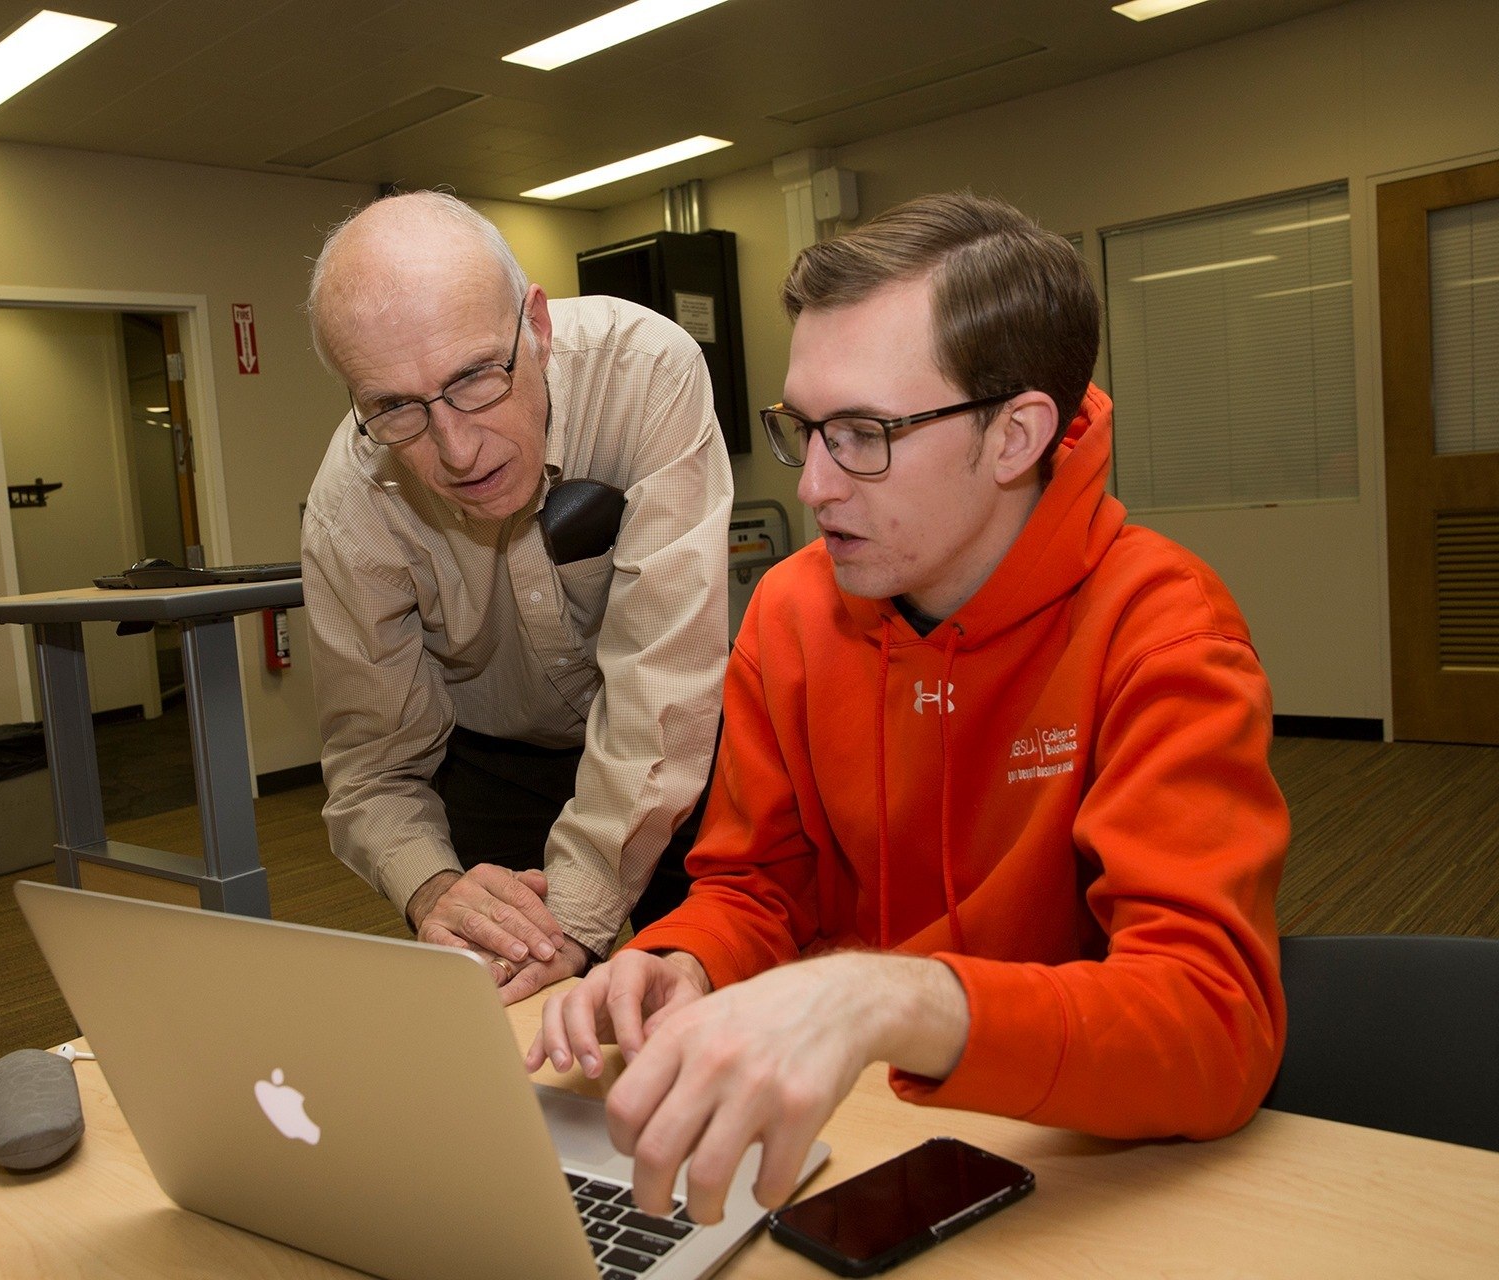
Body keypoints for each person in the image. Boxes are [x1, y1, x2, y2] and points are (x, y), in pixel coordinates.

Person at [528, 191, 1289, 1224]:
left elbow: (1213, 1027)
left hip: (1062, 1160)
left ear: (1017, 432)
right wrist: (678, 960)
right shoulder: (794, 611)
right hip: (840, 1134)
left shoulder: (1163, 628)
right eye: (804, 429)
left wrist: (894, 995)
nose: (814, 484)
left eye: (863, 433)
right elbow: (757, 887)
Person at [301, 191, 732, 1004]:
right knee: (514, 1035)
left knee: (707, 1010)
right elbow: (374, 768)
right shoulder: (350, 505)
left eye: (474, 379)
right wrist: (433, 889)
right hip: (496, 768)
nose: (457, 450)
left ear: (537, 325)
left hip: (681, 739)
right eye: (394, 407)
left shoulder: (646, 372)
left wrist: (569, 917)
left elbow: (660, 687)